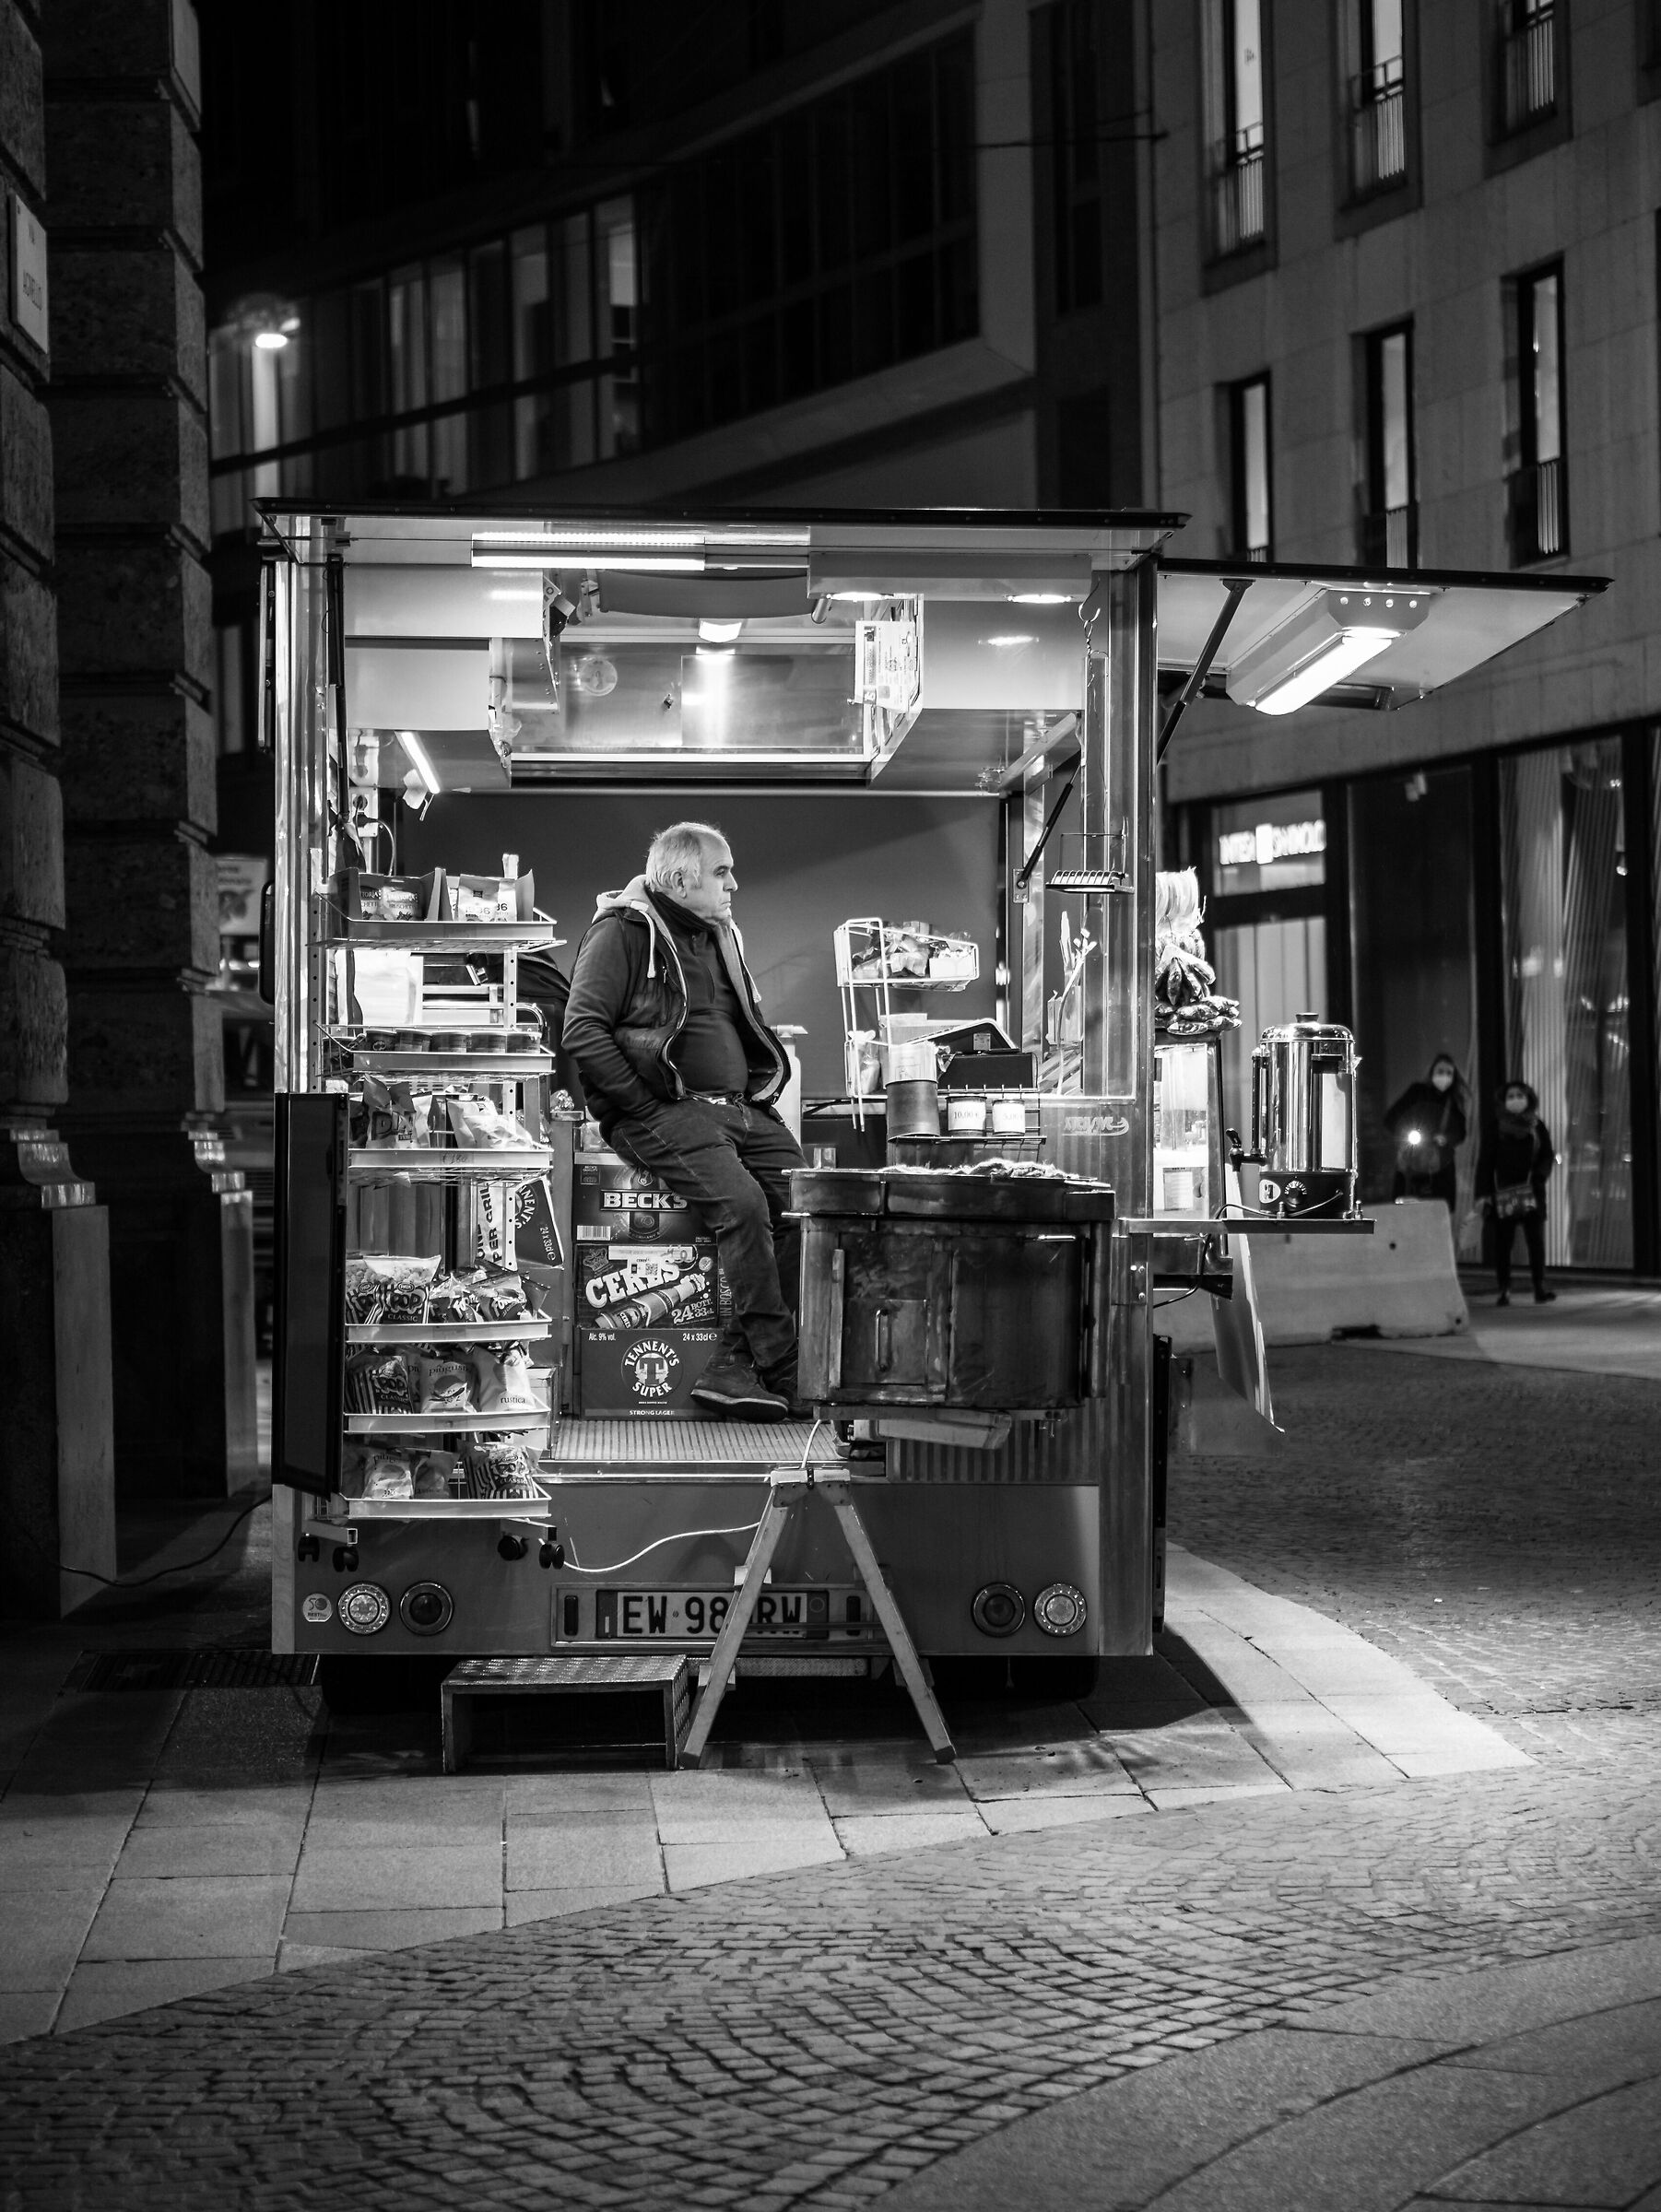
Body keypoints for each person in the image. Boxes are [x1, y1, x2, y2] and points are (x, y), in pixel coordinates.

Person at [562, 821, 806, 1418]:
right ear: (678, 879)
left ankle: (734, 1365)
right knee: (744, 1206)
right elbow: (582, 1030)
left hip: (739, 1109)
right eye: (722, 873)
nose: (734, 884)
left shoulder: (720, 936)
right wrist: (642, 1105)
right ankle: (781, 1364)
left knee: (808, 1206)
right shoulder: (622, 931)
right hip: (665, 1109)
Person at [1474, 1077, 1557, 1307]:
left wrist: (1540, 1175)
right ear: (1503, 1101)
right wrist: (1483, 1194)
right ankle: (1504, 1289)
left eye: (1520, 1096)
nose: (1516, 1100)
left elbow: (1547, 1154)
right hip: (1505, 1191)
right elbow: (1486, 1162)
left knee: (1535, 1241)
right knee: (1504, 1243)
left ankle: (1539, 1286)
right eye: (1511, 1096)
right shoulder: (1496, 1127)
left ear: (1529, 1099)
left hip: (1532, 1189)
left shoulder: (1537, 1125)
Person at [1384, 1052, 1470, 1211]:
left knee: (1439, 1211)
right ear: (1432, 1073)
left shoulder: (1453, 1101)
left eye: (1449, 1073)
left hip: (1441, 1166)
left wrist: (1446, 1138)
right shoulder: (1417, 1092)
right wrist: (1406, 1135)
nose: (1444, 1076)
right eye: (1440, 1071)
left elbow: (1461, 1132)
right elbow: (1391, 1118)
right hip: (1412, 1161)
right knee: (1408, 1210)